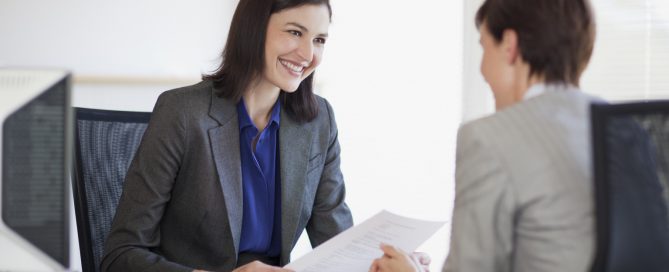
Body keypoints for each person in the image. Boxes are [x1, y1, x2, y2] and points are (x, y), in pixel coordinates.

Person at [101, 0, 353, 271]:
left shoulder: (318, 121)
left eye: (319, 39)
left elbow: (340, 246)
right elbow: (120, 257)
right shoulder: (183, 113)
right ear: (253, 29)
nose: (307, 53)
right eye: (294, 32)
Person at [370, 0, 597, 271]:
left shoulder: (487, 137)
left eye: (484, 46)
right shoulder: (626, 128)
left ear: (510, 46)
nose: (482, 69)